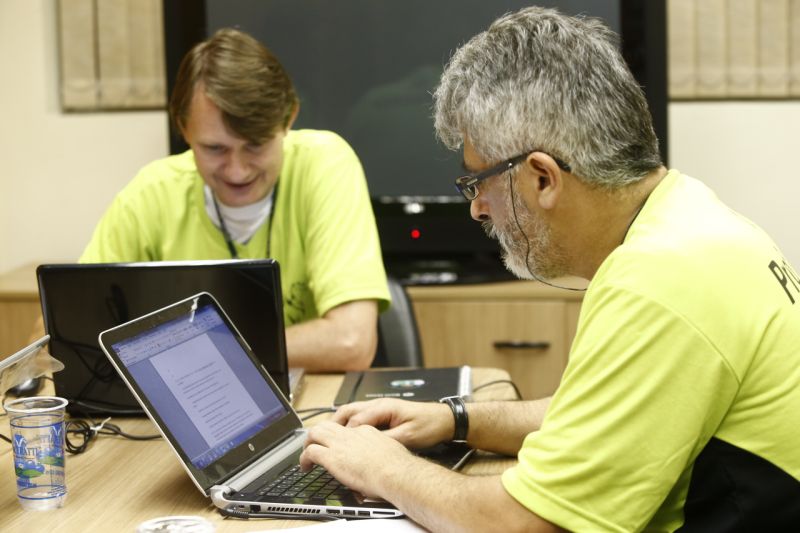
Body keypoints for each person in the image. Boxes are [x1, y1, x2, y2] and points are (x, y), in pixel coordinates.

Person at [300, 7, 800, 531]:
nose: (476, 209)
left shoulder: (658, 281)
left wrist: (383, 468)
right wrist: (455, 420)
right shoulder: (690, 215)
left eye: (477, 182)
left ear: (542, 177)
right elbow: (602, 417)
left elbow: (528, 525)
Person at [79, 28, 390, 372]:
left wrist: (189, 349)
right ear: (184, 129)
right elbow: (67, 332)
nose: (237, 171)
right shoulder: (151, 192)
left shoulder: (325, 163)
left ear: (288, 119)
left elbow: (351, 343)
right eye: (215, 149)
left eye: (255, 145)